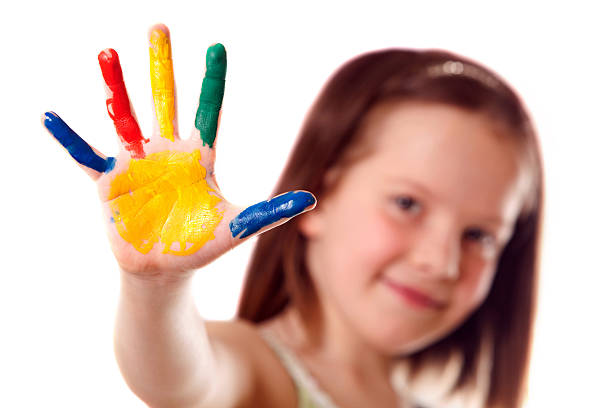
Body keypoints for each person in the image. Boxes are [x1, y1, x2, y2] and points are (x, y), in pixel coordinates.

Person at [43, 23, 543, 408]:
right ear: (318, 198)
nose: (441, 261)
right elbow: (182, 381)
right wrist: (154, 288)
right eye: (407, 204)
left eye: (480, 234)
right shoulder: (260, 371)